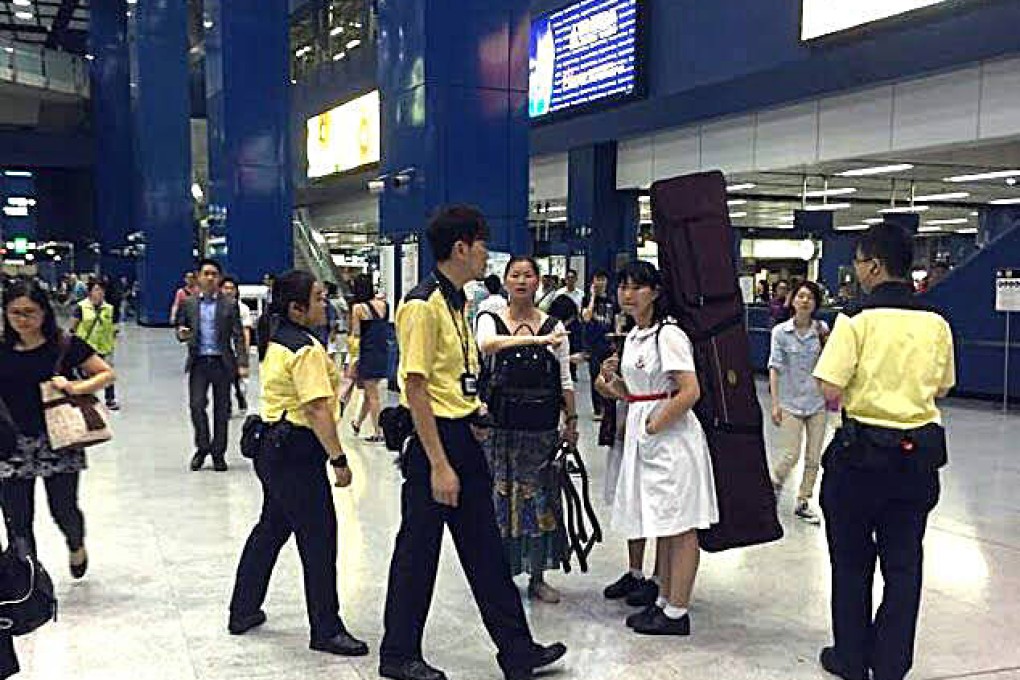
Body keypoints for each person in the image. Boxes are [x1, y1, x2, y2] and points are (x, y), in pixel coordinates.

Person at [381, 205, 566, 680]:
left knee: (486, 550)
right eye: (483, 245)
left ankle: (517, 651)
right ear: (461, 248)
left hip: (463, 435)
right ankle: (398, 654)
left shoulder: (459, 301)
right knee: (418, 552)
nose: (488, 254)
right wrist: (439, 464)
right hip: (434, 444)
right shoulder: (422, 305)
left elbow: (451, 377)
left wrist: (474, 411)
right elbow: (415, 387)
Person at [812, 224, 955, 680]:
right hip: (916, 459)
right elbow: (943, 387)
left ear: (874, 266)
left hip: (860, 457)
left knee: (852, 563)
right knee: (904, 564)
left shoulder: (855, 319)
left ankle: (851, 658)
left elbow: (829, 386)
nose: (856, 270)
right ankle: (892, 663)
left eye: (858, 262)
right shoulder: (936, 322)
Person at [228, 270, 367, 657]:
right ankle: (326, 629)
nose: (325, 304)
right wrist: (339, 459)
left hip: (273, 448)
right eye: (318, 298)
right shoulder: (304, 348)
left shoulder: (279, 340)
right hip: (297, 455)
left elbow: (315, 400)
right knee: (319, 539)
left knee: (271, 529)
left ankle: (243, 609)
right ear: (296, 308)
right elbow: (317, 410)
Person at [596, 261, 718, 636]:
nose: (628, 294)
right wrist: (611, 385)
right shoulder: (635, 335)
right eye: (623, 287)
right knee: (664, 521)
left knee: (680, 525)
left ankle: (678, 612)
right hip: (645, 434)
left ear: (656, 292)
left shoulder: (669, 334)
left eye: (638, 287)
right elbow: (636, 392)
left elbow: (689, 390)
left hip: (671, 440)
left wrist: (654, 424)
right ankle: (664, 600)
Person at [0, 279, 115, 579]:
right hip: (10, 443)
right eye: (15, 313)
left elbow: (105, 374)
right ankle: (29, 580)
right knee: (17, 520)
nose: (22, 320)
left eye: (29, 312)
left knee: (63, 509)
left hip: (59, 439)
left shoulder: (64, 344)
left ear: (44, 312)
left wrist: (75, 386)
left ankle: (76, 544)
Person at [476, 256, 575, 604]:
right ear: (505, 281)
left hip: (541, 429)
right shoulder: (489, 319)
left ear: (538, 282)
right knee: (499, 501)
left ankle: (537, 575)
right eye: (515, 275)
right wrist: (538, 341)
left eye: (528, 275)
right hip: (499, 429)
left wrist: (571, 421)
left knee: (540, 500)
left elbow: (565, 378)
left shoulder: (554, 325)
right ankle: (498, 576)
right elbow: (486, 345)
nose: (521, 281)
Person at [174, 259, 248, 472]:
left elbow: (238, 335)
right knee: (196, 405)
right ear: (198, 277)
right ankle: (202, 446)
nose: (210, 278)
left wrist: (242, 363)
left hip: (221, 362)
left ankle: (218, 452)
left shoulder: (229, 304)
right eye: (206, 273)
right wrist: (181, 334)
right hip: (198, 362)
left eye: (214, 274)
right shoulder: (189, 304)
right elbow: (180, 327)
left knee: (222, 410)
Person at [768, 280, 829, 525]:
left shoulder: (822, 330)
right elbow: (774, 368)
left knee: (814, 457)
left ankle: (803, 500)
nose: (805, 301)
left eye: (810, 297)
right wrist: (775, 404)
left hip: (817, 402)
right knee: (790, 454)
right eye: (801, 296)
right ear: (792, 300)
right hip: (790, 402)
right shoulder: (780, 332)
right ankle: (773, 485)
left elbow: (830, 364)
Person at [348, 273, 389, 443]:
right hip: (382, 350)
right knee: (369, 392)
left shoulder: (358, 308)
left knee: (372, 395)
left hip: (367, 352)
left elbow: (356, 334)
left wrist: (352, 359)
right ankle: (357, 423)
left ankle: (379, 432)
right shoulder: (384, 305)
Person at [69, 280, 120, 410]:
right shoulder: (81, 307)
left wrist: (112, 340)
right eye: (96, 289)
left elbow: (114, 326)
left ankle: (110, 399)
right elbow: (73, 327)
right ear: (90, 292)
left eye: (102, 290)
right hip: (86, 347)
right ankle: (85, 398)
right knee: (84, 375)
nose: (100, 293)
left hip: (104, 346)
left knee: (107, 372)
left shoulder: (109, 308)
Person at [581, 270, 616, 421]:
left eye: (603, 279)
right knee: (595, 376)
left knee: (609, 376)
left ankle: (608, 408)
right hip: (593, 344)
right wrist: (593, 296)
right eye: (598, 279)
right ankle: (598, 409)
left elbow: (616, 319)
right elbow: (586, 317)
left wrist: (616, 338)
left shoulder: (611, 300)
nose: (600, 282)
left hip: (608, 344)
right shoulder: (586, 299)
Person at [220, 276, 253, 414]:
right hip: (223, 351)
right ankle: (226, 406)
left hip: (236, 350)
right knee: (224, 380)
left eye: (231, 288)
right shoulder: (216, 307)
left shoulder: (242, 309)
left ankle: (240, 396)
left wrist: (244, 356)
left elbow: (244, 332)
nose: (228, 291)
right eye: (225, 288)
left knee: (237, 379)